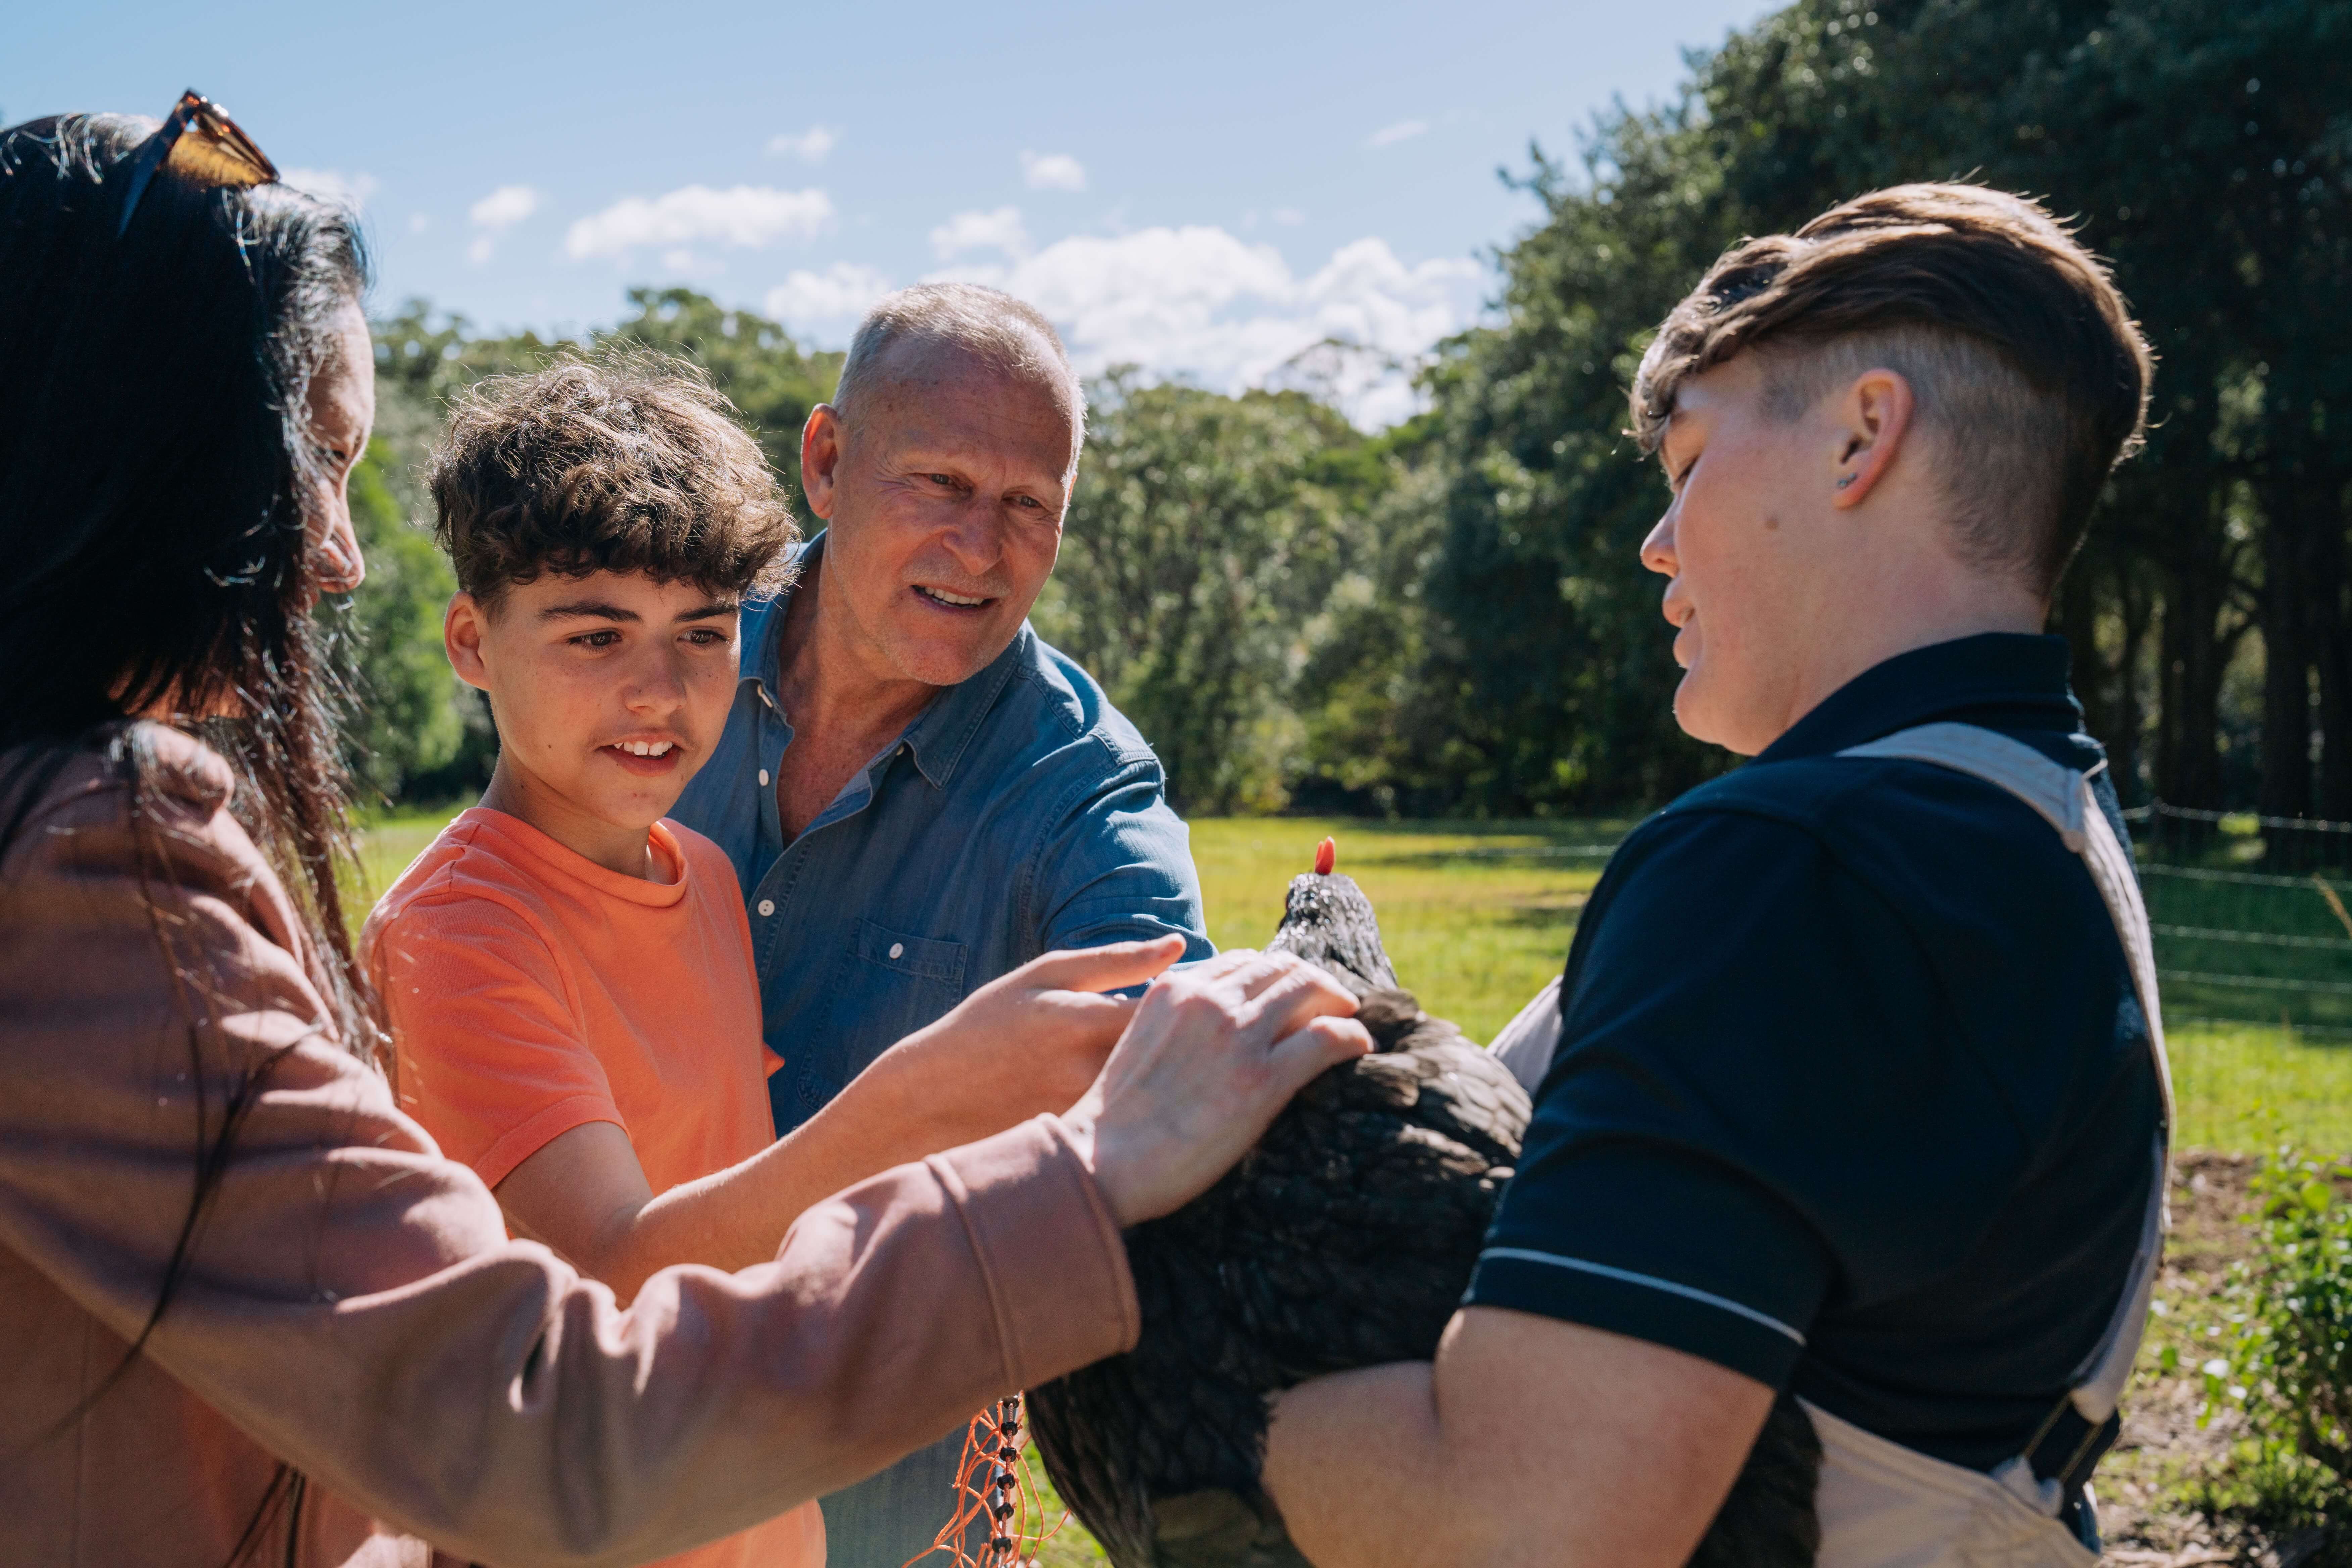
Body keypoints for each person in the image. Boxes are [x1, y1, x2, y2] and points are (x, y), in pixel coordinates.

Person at [0, 99, 1368, 1568]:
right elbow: (535, 1410)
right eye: (313, 461)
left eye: (1027, 505)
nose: (336, 552)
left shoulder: (1008, 797)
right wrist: (1055, 1167)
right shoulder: (91, 865)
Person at [1260, 182, 2168, 1567]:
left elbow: (1524, 1526)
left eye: (1689, 466)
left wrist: (1162, 1360)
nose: (1658, 542)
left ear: (1864, 435)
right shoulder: (2042, 825)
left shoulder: (1801, 867)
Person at [665, 282, 1213, 1565]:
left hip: (877, 1503)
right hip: (576, 1439)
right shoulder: (658, 653)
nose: (981, 549)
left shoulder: (1083, 793)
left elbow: (1169, 1053)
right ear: (826, 460)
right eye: (941, 484)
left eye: (1030, 507)